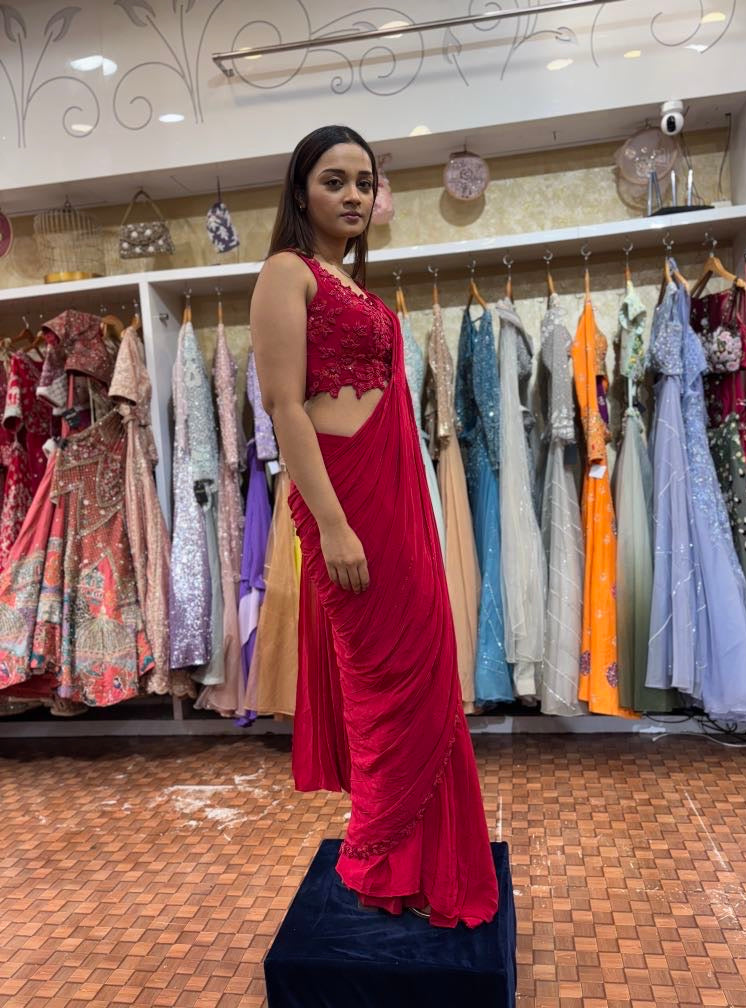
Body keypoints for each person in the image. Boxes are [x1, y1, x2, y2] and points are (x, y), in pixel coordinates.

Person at [250, 124, 499, 928]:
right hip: (343, 500)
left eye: (364, 181)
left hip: (395, 498)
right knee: (382, 679)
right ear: (301, 192)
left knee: (425, 668)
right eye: (335, 181)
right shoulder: (286, 273)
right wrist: (332, 525)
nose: (354, 195)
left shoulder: (359, 289)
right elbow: (286, 407)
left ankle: (429, 860)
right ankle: (387, 856)